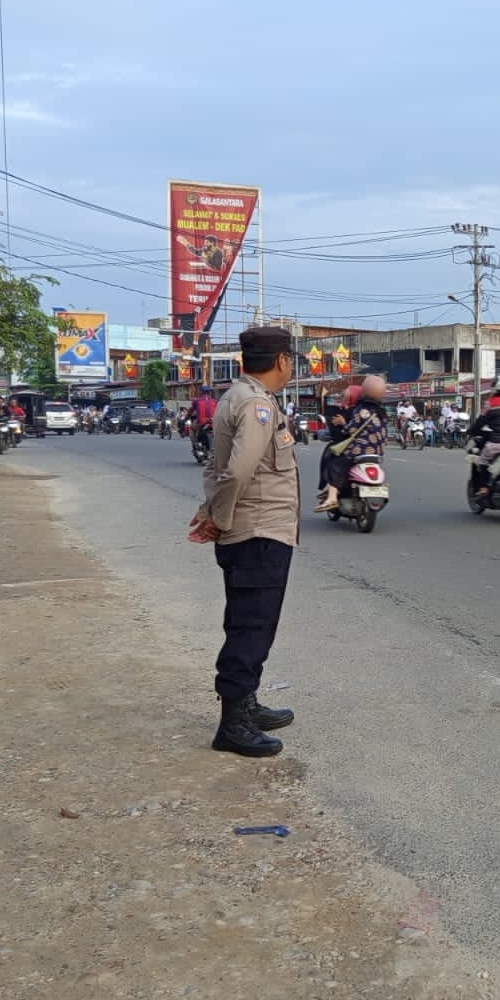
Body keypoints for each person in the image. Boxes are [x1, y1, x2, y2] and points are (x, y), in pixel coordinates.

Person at [187, 325, 301, 758]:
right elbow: (236, 472)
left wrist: (216, 514)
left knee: (249, 621)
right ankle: (233, 725)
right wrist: (219, 517)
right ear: (282, 361)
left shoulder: (240, 395)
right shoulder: (256, 404)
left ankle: (245, 703)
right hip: (257, 531)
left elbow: (221, 470)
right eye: (291, 359)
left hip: (254, 531)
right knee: (252, 627)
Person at [316, 376, 388, 512]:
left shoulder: (360, 410)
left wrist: (343, 425)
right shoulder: (382, 412)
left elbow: (351, 430)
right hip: (378, 452)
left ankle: (332, 497)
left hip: (360, 450)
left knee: (336, 464)